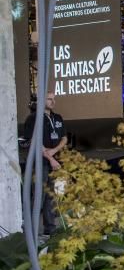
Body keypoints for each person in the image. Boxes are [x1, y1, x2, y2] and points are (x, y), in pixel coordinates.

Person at [23, 92, 66, 235]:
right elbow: (33, 141)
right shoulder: (32, 118)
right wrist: (50, 157)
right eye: (49, 99)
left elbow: (64, 138)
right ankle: (31, 230)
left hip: (55, 161)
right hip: (40, 162)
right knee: (38, 196)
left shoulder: (57, 117)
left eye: (54, 99)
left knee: (51, 196)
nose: (53, 101)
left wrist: (54, 151)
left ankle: (50, 229)